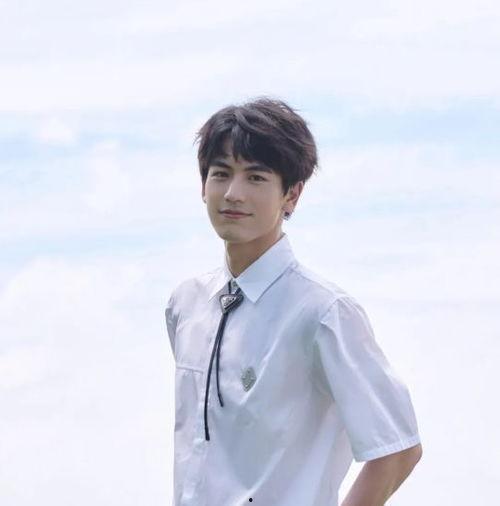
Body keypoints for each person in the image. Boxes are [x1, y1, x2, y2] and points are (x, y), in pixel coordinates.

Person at [165, 96, 422, 506]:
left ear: (292, 195)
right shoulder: (186, 304)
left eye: (256, 177)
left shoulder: (324, 312)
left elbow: (398, 449)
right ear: (203, 186)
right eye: (221, 173)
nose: (233, 193)